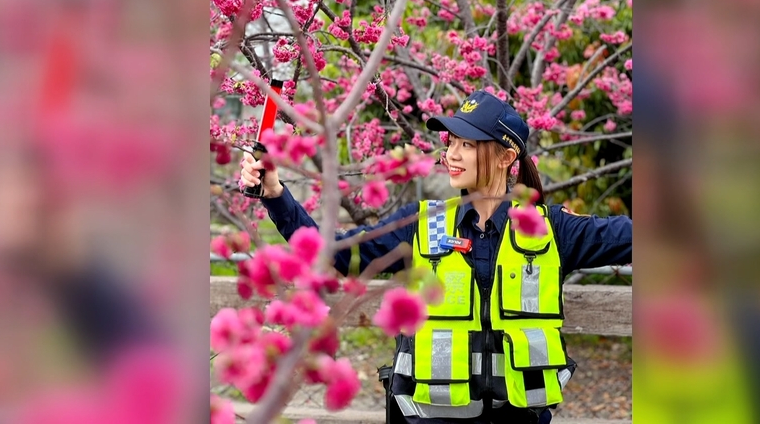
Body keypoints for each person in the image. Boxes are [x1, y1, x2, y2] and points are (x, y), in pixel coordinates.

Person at [239, 90, 633, 424]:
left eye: (467, 144)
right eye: (451, 143)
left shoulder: (554, 230)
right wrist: (276, 195)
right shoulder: (421, 225)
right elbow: (336, 255)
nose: (452, 155)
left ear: (505, 156)